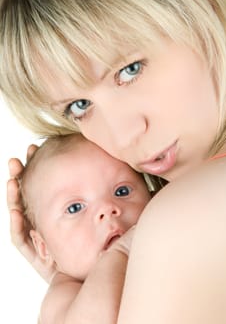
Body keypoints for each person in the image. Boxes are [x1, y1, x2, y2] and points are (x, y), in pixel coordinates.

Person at [1, 0, 226, 323]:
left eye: (130, 70)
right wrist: (89, 282)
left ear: (199, 3)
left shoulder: (182, 219)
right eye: (79, 106)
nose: (123, 136)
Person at [20, 132, 152, 324]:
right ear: (43, 248)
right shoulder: (63, 294)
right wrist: (121, 251)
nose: (107, 209)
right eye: (75, 208)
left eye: (121, 191)